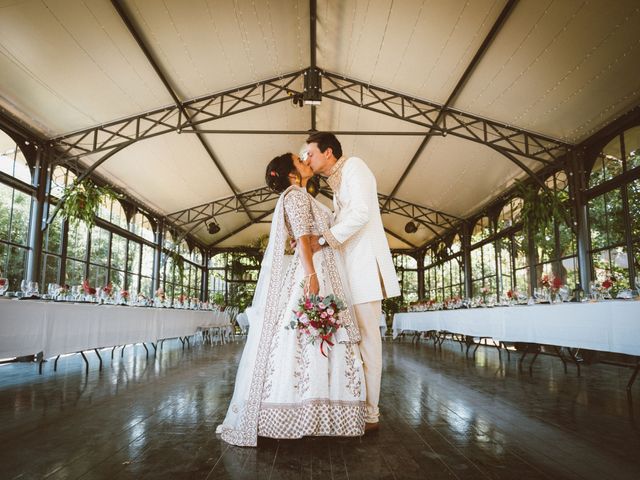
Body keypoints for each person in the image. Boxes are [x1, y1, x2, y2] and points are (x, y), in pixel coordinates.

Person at [216, 153, 366, 447]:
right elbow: (301, 238)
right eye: (300, 159)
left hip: (325, 267)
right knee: (304, 337)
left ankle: (323, 413)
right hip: (313, 272)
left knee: (317, 338)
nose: (305, 160)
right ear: (291, 173)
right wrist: (311, 275)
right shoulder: (294, 196)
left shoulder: (302, 195)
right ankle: (296, 413)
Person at [304, 132, 401, 432]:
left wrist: (323, 240)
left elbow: (361, 213)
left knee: (369, 341)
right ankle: (355, 405)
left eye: (311, 153)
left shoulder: (356, 166)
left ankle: (371, 412)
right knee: (355, 341)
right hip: (350, 272)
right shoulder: (336, 182)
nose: (307, 158)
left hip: (365, 271)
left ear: (328, 152)